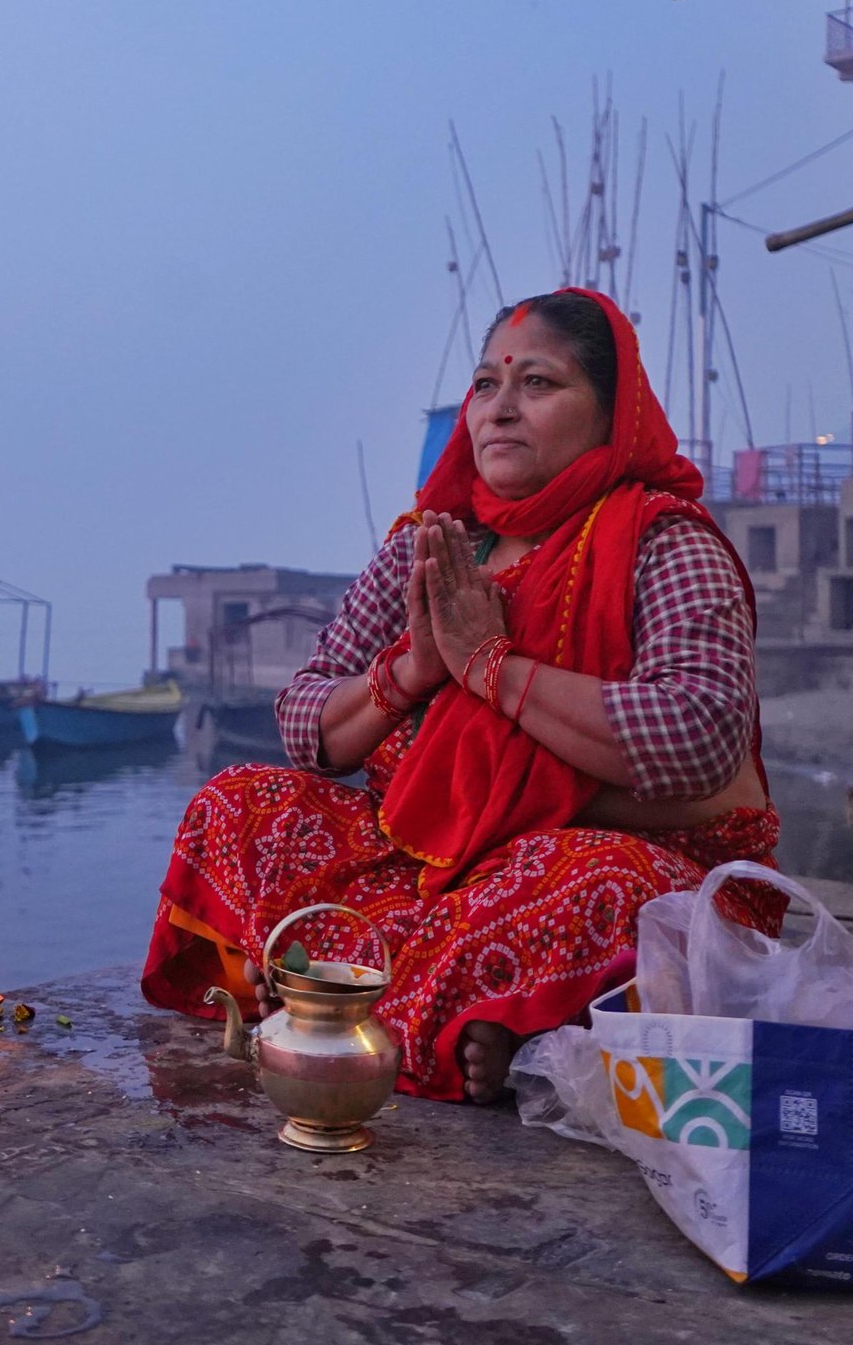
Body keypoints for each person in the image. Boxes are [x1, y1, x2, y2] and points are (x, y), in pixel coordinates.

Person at [140, 288, 784, 1103]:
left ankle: (363, 1005)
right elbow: (306, 724)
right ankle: (455, 1012)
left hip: (596, 856)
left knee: (607, 884)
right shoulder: (436, 541)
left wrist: (489, 664)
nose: (500, 410)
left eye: (539, 385)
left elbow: (696, 739)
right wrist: (412, 671)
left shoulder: (666, 542)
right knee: (239, 803)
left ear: (612, 411)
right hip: (425, 856)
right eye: (485, 386)